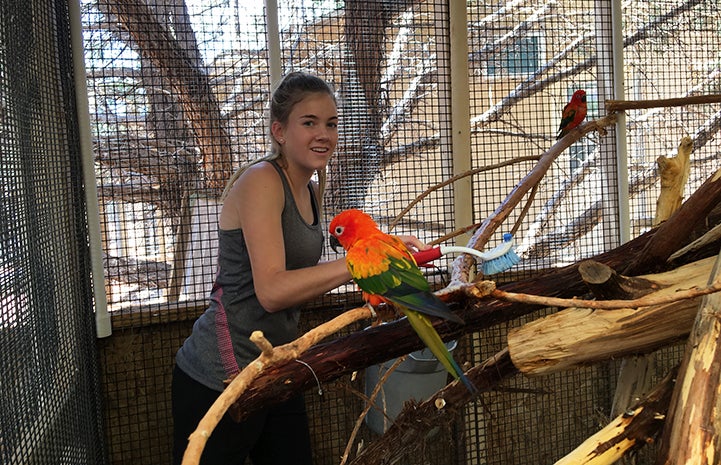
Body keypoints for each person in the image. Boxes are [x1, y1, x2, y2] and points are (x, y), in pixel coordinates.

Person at [171, 71, 427, 465]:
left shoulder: (309, 188)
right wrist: (361, 262)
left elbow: (302, 277)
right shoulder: (261, 182)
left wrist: (383, 255)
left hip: (276, 363)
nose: (323, 133)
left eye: (331, 123)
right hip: (221, 372)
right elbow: (272, 291)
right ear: (279, 131)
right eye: (309, 123)